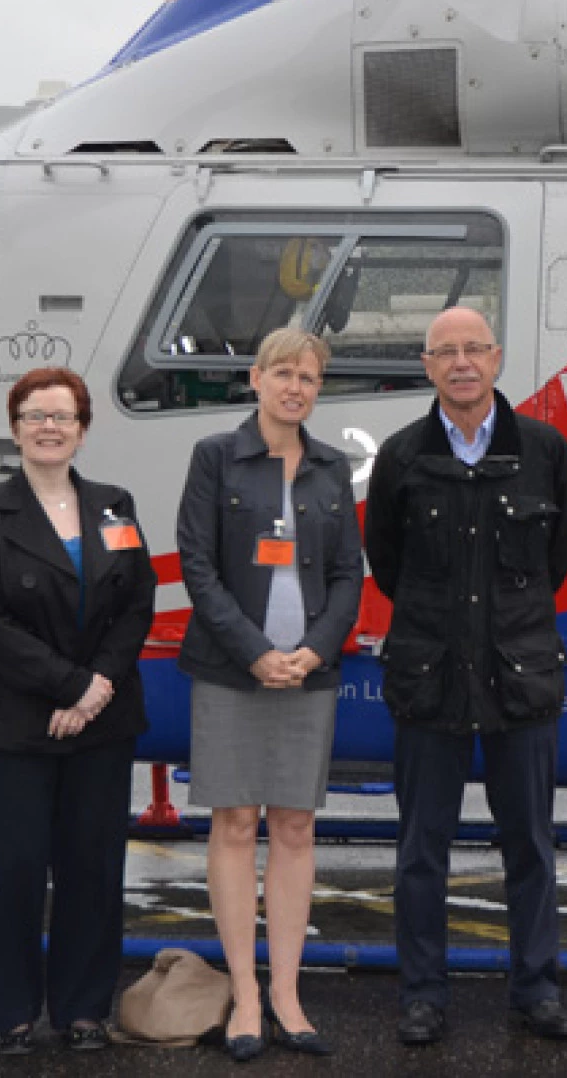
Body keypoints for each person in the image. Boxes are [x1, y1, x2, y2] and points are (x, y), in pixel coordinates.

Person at [362, 306, 567, 1047]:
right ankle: (423, 995)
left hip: (521, 678)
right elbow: (387, 564)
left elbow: (558, 554)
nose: (461, 363)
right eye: (445, 351)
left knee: (531, 846)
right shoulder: (400, 456)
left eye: (474, 349)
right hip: (430, 678)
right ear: (427, 366)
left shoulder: (544, 450)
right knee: (421, 851)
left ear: (496, 359)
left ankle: (537, 991)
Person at [0, 368, 157, 1057]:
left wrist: (95, 688)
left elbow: (137, 605)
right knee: (16, 868)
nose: (49, 427)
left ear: (83, 430)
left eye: (63, 416)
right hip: (12, 719)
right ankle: (9, 1014)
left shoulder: (115, 505)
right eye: (35, 415)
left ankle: (83, 1010)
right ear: (15, 428)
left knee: (93, 869)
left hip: (102, 717)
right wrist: (69, 687)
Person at [175, 329, 363, 1062]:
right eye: (283, 373)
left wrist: (315, 650)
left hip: (308, 674)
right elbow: (197, 565)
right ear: (255, 379)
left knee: (293, 827)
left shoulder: (331, 467)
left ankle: (287, 994)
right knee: (233, 824)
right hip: (232, 672)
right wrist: (254, 652)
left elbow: (347, 574)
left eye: (308, 378)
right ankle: (245, 995)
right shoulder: (214, 457)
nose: (295, 387)